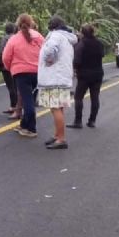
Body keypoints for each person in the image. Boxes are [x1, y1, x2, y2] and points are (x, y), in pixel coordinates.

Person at [37, 16, 77, 149]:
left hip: (55, 78)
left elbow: (50, 50)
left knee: (55, 108)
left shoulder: (55, 36)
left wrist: (49, 59)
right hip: (61, 77)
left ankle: (61, 139)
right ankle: (57, 135)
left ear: (51, 26)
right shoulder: (65, 37)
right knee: (58, 108)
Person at [2, 13, 44, 138]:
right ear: (31, 23)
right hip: (37, 72)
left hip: (21, 73)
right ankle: (24, 125)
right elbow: (46, 51)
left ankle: (31, 128)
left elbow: (6, 57)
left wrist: (11, 68)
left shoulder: (14, 39)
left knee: (27, 101)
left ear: (18, 24)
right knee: (30, 98)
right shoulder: (39, 37)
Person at [68, 24, 105, 129]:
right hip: (97, 73)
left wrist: (75, 69)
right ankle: (92, 121)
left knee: (78, 97)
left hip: (84, 74)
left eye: (80, 32)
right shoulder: (99, 43)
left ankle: (78, 121)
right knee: (95, 97)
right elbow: (102, 55)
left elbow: (77, 60)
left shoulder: (81, 44)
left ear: (83, 33)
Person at [0, 23, 18, 114]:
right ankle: (16, 106)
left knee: (11, 87)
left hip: (7, 66)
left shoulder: (5, 38)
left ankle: (13, 107)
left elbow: (2, 52)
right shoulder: (17, 38)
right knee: (15, 86)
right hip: (16, 65)